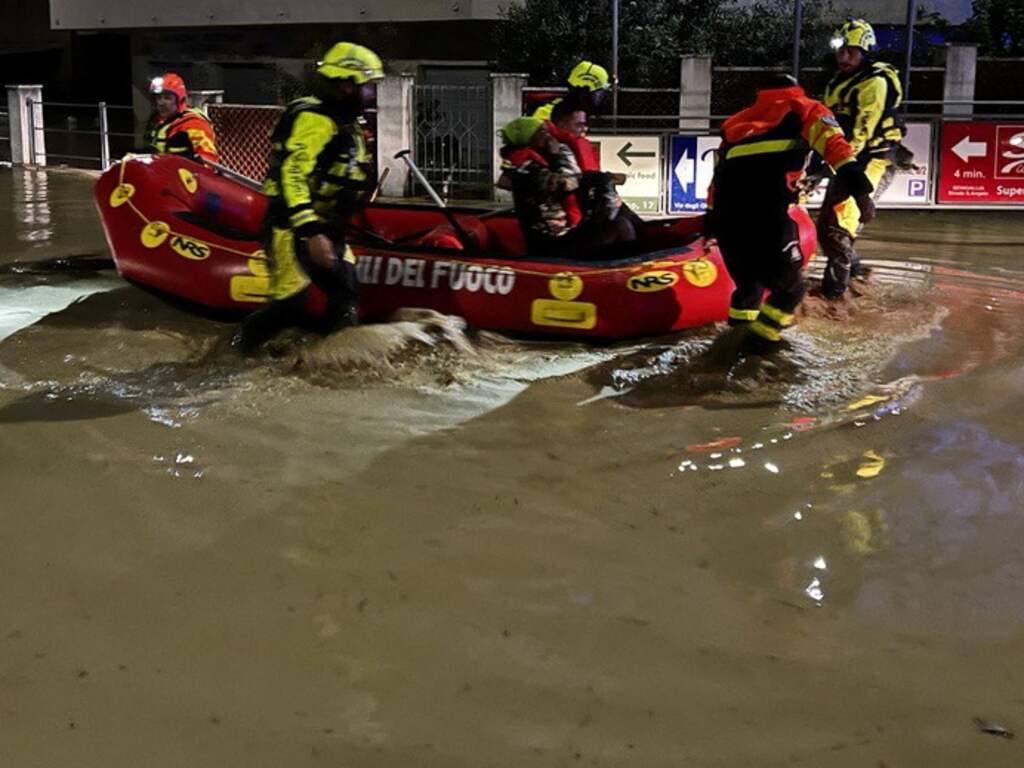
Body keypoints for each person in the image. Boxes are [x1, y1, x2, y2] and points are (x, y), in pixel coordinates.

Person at [706, 74, 875, 353]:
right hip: (767, 213)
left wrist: (709, 223)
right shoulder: (804, 108)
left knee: (749, 288)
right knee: (792, 289)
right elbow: (837, 150)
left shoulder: (734, 122)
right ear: (796, 89)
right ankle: (759, 345)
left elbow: (717, 177)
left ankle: (732, 342)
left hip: (727, 215)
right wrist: (862, 193)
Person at [231, 42, 382, 352]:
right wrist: (311, 231)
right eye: (367, 86)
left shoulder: (347, 125)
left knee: (346, 295)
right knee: (291, 302)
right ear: (346, 85)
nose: (371, 93)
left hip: (328, 225)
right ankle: (239, 349)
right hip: (292, 225)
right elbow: (293, 174)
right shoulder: (315, 121)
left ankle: (333, 359)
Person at [817, 18, 906, 299]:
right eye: (840, 51)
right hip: (847, 161)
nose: (843, 57)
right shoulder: (837, 81)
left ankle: (835, 299)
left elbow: (861, 133)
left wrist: (828, 166)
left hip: (873, 161)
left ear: (865, 52)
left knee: (838, 228)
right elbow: (827, 125)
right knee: (826, 228)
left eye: (851, 52)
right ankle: (857, 274)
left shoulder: (874, 83)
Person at [497, 116, 634, 260]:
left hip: (564, 235)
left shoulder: (536, 163)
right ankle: (629, 268)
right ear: (530, 140)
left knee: (619, 213)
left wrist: (602, 178)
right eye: (543, 133)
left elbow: (573, 178)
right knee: (621, 226)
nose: (549, 137)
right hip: (550, 245)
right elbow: (566, 183)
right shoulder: (526, 168)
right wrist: (557, 156)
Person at [145, 73, 220, 163]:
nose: (161, 103)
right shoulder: (158, 122)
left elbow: (209, 159)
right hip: (161, 169)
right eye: (158, 98)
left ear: (180, 99)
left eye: (167, 98)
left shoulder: (193, 124)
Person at [532, 60, 611, 122]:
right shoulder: (547, 115)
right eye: (600, 91)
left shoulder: (580, 114)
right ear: (585, 90)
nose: (603, 95)